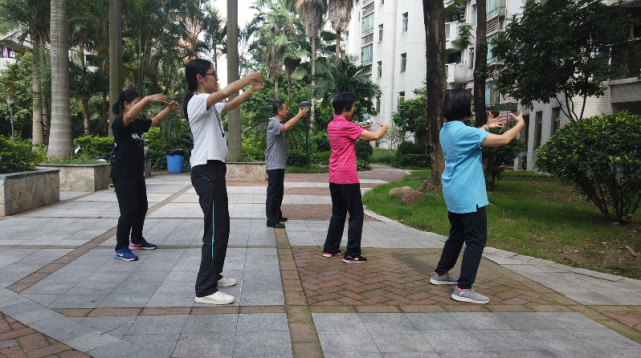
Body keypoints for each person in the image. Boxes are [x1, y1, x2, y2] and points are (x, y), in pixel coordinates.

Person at [430, 88, 524, 304]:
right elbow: (503, 140)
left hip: (454, 192)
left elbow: (468, 139)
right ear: (463, 106)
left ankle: (440, 273)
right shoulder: (465, 132)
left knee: (457, 235)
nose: (472, 106)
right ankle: (463, 288)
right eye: (470, 103)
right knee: (476, 240)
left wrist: (485, 127)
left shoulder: (446, 129)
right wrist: (520, 124)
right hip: (469, 194)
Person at [183, 58, 264, 305]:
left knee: (222, 226)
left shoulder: (210, 105)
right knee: (215, 228)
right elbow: (225, 92)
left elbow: (229, 104)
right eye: (212, 74)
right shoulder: (197, 101)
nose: (215, 78)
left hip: (214, 168)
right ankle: (204, 290)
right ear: (200, 77)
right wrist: (248, 77)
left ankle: (214, 275)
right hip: (205, 169)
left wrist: (250, 90)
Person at [110, 89, 180, 261]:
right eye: (136, 103)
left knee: (141, 208)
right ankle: (120, 248)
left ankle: (137, 240)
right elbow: (128, 117)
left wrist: (169, 109)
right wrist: (148, 98)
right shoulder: (120, 123)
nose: (140, 107)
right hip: (122, 174)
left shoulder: (137, 124)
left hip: (136, 175)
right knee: (128, 211)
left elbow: (155, 120)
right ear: (126, 105)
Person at [322, 92, 388, 264]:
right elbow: (375, 136)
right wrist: (385, 127)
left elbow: (348, 135)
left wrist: (358, 130)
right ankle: (352, 253)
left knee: (338, 213)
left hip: (334, 176)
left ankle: (330, 247)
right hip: (347, 177)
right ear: (346, 109)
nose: (353, 110)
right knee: (356, 214)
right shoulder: (348, 126)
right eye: (352, 108)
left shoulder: (332, 125)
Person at [265, 102, 308, 228]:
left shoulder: (279, 123)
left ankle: (277, 215)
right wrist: (299, 115)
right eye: (286, 109)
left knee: (278, 192)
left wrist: (298, 116)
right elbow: (287, 127)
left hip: (278, 164)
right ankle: (272, 220)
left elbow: (288, 125)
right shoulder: (274, 123)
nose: (287, 111)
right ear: (279, 111)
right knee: (273, 193)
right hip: (274, 164)